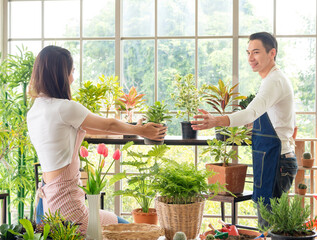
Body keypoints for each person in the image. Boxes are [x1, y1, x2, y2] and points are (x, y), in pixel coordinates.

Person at [27, 45, 167, 233]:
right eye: (71, 71)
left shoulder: (35, 109)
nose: (72, 78)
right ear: (61, 74)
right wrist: (142, 130)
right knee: (132, 231)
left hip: (44, 208)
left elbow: (88, 128)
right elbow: (108, 124)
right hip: (68, 211)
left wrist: (132, 127)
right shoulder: (65, 108)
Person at [191, 32, 298, 227]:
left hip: (277, 160)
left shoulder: (274, 80)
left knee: (270, 225)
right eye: (248, 52)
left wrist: (216, 120)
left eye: (256, 52)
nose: (250, 58)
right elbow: (268, 119)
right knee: (268, 222)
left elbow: (250, 112)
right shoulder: (271, 79)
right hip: (271, 159)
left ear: (272, 53)